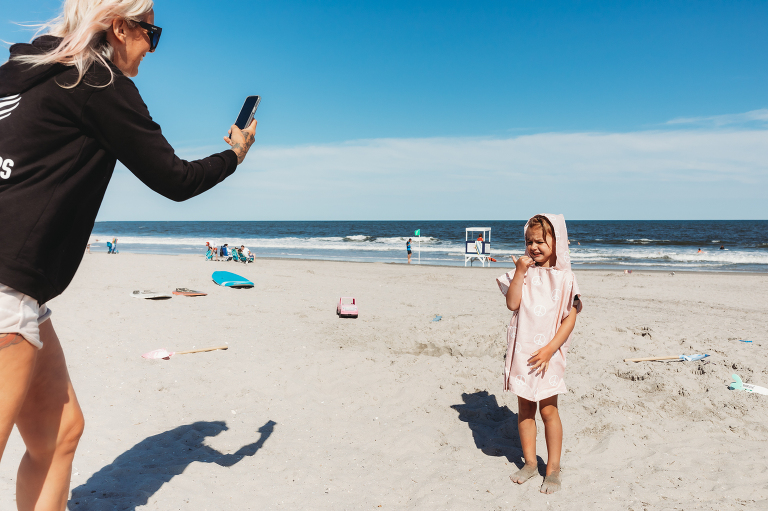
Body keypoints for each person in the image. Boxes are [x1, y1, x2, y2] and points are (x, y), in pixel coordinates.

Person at [0, 1, 258, 508]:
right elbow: (175, 180)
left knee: (60, 435)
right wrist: (235, 155)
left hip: (23, 292)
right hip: (6, 291)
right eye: (151, 34)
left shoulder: (19, 72)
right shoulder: (96, 83)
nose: (151, 48)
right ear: (120, 26)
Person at [496, 214, 582, 494]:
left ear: (557, 242)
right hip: (524, 353)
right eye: (529, 241)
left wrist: (550, 349)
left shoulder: (566, 277)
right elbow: (512, 304)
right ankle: (531, 463)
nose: (534, 247)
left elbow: (570, 317)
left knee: (548, 410)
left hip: (549, 353)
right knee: (524, 409)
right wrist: (520, 272)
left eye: (541, 241)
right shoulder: (522, 273)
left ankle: (553, 468)